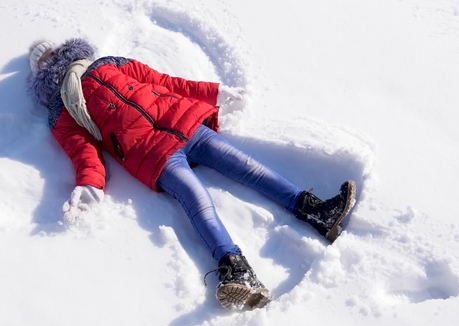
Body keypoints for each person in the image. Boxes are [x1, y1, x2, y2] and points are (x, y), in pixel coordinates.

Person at [27, 38, 356, 310]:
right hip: (152, 153)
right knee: (198, 201)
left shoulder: (109, 63)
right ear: (40, 73)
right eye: (42, 59)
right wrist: (89, 184)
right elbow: (83, 151)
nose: (51, 57)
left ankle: (316, 211)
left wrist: (213, 93)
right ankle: (235, 270)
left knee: (248, 168)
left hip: (185, 122)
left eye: (51, 50)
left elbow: (164, 83)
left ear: (66, 47)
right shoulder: (62, 109)